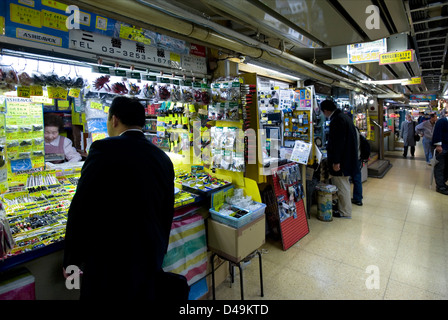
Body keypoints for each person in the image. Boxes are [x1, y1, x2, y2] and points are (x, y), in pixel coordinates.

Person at [63, 96, 175, 299]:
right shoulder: (162, 158)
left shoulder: (103, 150)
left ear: (113, 120)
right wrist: (158, 253)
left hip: (108, 260)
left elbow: (81, 207)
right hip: (148, 257)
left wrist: (71, 259)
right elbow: (167, 211)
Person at [320, 100, 360, 218]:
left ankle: (345, 212)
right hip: (348, 159)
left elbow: (338, 143)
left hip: (342, 162)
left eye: (322, 112)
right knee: (344, 185)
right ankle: (343, 210)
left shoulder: (337, 120)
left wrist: (336, 161)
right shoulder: (344, 117)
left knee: (342, 186)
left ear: (326, 111)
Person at [432, 116, 448, 195]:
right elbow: (437, 134)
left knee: (446, 168)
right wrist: (438, 146)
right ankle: (440, 186)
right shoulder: (442, 121)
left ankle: (443, 184)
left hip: (446, 147)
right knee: (440, 167)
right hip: (442, 149)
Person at [351, 127, 363, 206]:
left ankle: (358, 199)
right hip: (358, 158)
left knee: (355, 179)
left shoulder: (351, 130)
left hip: (353, 159)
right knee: (357, 179)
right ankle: (358, 198)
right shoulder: (356, 130)